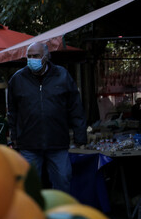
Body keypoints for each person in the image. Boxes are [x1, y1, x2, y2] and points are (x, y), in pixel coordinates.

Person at [7, 42, 87, 193]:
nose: (32, 60)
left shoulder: (62, 76)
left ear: (46, 57)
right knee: (29, 187)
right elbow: (12, 111)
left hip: (57, 142)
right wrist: (15, 138)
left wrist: (80, 137)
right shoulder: (17, 79)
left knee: (63, 180)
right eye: (29, 57)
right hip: (29, 144)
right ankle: (32, 215)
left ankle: (60, 214)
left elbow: (75, 108)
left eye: (35, 56)